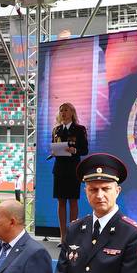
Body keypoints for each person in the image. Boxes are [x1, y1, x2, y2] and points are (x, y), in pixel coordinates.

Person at [50, 103, 88, 245]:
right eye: (61, 110)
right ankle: (63, 237)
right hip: (59, 169)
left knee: (73, 201)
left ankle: (72, 236)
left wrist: (75, 150)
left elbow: (85, 150)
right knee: (61, 202)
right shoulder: (56, 130)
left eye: (66, 110)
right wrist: (54, 152)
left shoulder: (80, 129)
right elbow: (53, 146)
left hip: (73, 170)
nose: (63, 112)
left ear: (72, 112)